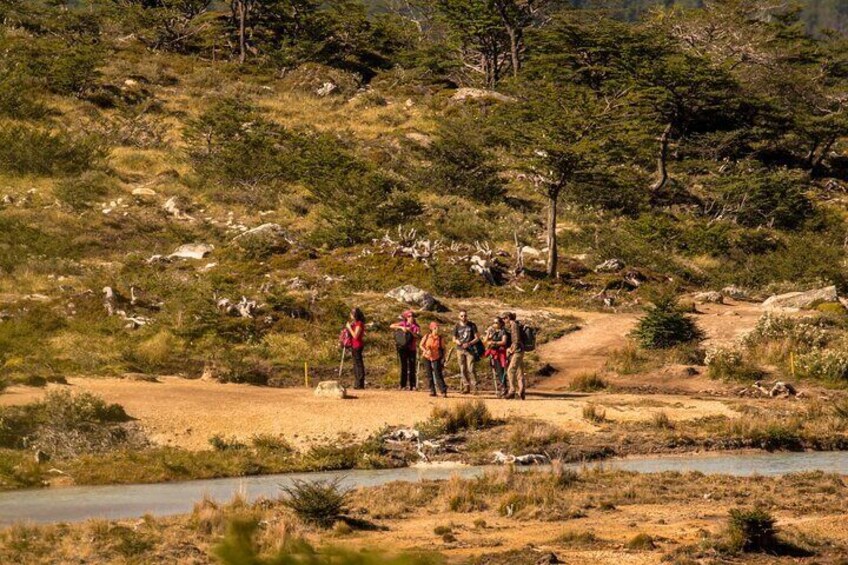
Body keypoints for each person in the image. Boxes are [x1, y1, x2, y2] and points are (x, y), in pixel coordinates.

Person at [390, 310, 420, 390]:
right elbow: (391, 326)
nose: (411, 318)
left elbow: (417, 336)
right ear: (406, 317)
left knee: (412, 366)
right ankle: (402, 385)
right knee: (404, 366)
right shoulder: (403, 324)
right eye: (409, 316)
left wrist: (410, 331)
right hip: (403, 348)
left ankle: (412, 385)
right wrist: (401, 327)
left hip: (412, 348)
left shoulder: (416, 326)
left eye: (412, 316)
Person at [453, 310, 481, 394]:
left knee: (471, 368)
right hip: (460, 349)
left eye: (465, 315)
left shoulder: (472, 325)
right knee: (462, 368)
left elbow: (477, 337)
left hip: (470, 349)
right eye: (461, 316)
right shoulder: (456, 326)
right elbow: (454, 338)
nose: (463, 317)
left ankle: (475, 387)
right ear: (459, 316)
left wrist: (469, 343)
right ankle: (466, 386)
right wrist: (458, 342)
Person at [420, 321, 448, 397]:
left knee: (438, 373)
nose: (437, 329)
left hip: (436, 357)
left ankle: (443, 391)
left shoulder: (440, 338)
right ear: (431, 329)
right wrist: (425, 351)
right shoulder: (426, 336)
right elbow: (421, 345)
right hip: (427, 357)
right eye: (435, 328)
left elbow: (444, 348)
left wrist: (444, 358)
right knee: (429, 374)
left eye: (438, 328)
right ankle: (432, 390)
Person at [484, 317, 509, 398]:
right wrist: (488, 332)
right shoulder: (494, 332)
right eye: (494, 322)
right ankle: (503, 388)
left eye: (496, 323)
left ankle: (504, 388)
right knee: (498, 371)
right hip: (494, 354)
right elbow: (485, 341)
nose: (495, 324)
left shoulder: (503, 331)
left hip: (501, 353)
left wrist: (494, 342)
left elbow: (504, 341)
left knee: (501, 371)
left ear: (501, 323)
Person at [504, 312, 526, 400]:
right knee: (519, 371)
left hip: (518, 351)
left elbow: (516, 340)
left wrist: (511, 350)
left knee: (510, 370)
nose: (503, 320)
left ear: (509, 318)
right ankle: (521, 391)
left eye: (505, 318)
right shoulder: (515, 324)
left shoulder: (513, 325)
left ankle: (512, 391)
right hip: (520, 350)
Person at [345, 308, 366, 389]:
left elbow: (355, 336)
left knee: (359, 364)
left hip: (357, 345)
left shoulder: (359, 323)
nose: (350, 315)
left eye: (351, 314)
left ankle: (360, 383)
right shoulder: (355, 323)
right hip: (353, 345)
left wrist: (349, 328)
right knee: (355, 364)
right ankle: (357, 383)